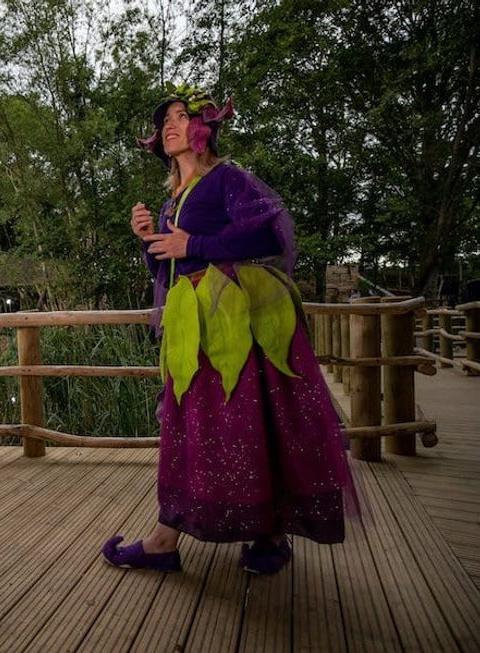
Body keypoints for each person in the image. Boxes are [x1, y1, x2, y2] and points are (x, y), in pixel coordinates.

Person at [102, 83, 358, 574]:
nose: (170, 125)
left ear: (202, 128)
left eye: (181, 115)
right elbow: (166, 271)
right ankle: (174, 538)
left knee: (246, 428)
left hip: (235, 323)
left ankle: (265, 537)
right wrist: (149, 240)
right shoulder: (172, 201)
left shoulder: (226, 178)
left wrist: (192, 242)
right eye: (164, 121)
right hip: (192, 327)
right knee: (200, 428)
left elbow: (269, 230)